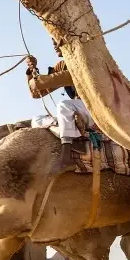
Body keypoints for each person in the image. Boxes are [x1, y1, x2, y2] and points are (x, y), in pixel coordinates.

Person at [26, 39, 95, 174]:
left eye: (57, 39)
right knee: (37, 120)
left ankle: (66, 154)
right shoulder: (63, 65)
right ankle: (73, 135)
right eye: (52, 40)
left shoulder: (82, 62)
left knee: (64, 105)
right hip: (78, 109)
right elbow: (36, 93)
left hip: (94, 109)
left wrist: (37, 79)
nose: (54, 44)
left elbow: (39, 84)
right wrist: (31, 71)